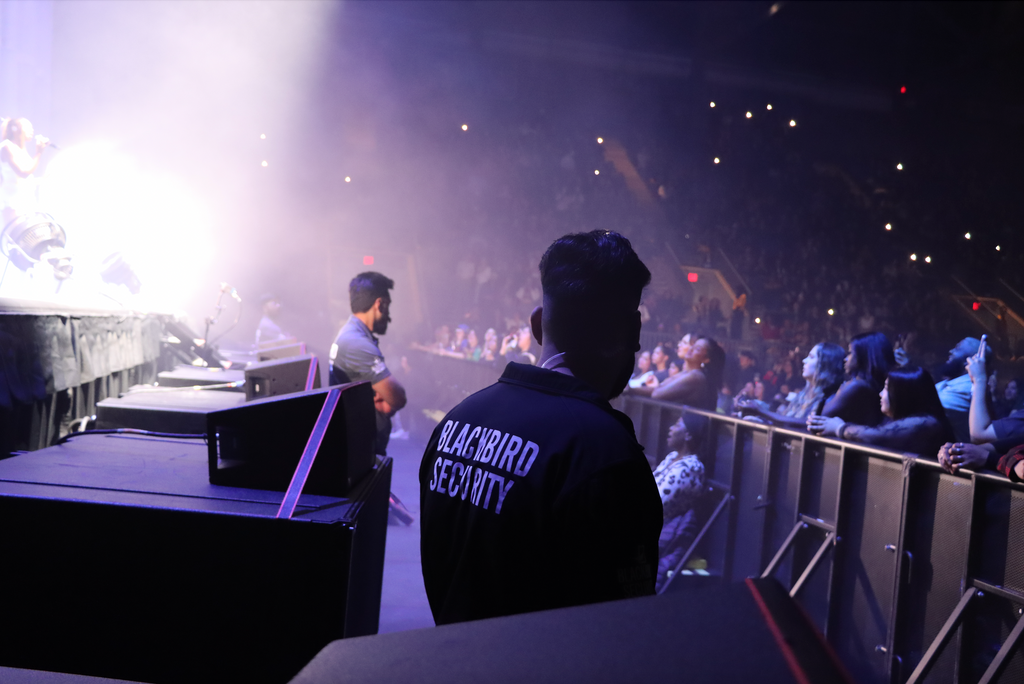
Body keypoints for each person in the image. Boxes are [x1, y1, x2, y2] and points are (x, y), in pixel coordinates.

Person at [419, 230, 662, 625]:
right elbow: (621, 628)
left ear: (536, 324)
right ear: (633, 333)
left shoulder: (457, 422)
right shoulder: (606, 455)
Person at [329, 272, 407, 456]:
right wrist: (384, 398)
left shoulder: (351, 334)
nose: (389, 317)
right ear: (380, 304)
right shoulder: (357, 343)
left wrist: (381, 399)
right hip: (362, 448)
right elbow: (398, 398)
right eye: (388, 307)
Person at [808, 367, 954, 457]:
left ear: (903, 395)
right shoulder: (915, 419)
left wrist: (839, 428)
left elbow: (877, 436)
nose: (881, 394)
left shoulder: (927, 422)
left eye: (886, 389)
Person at [735, 343, 845, 429]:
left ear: (824, 363)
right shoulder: (804, 394)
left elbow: (804, 424)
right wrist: (758, 415)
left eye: (811, 357)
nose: (804, 360)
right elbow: (786, 417)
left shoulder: (830, 398)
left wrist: (761, 412)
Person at [653, 416, 705, 592]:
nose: (670, 428)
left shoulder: (690, 468)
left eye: (676, 425)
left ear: (688, 436)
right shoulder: (672, 458)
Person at [814, 331, 894, 428]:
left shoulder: (856, 385)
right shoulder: (872, 386)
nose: (846, 359)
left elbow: (817, 421)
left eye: (850, 353)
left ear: (863, 356)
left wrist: (843, 390)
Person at [630, 336, 725, 411]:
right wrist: (631, 389)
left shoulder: (696, 377)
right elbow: (657, 389)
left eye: (697, 349)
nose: (691, 348)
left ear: (706, 359)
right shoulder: (688, 373)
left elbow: (657, 394)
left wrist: (631, 390)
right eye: (693, 345)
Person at [0, 117, 51, 224]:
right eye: (28, 127)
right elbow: (23, 173)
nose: (32, 130)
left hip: (26, 202)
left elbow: (22, 180)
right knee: (17, 237)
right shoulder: (6, 146)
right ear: (17, 129)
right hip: (13, 204)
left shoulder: (19, 149)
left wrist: (41, 180)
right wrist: (39, 152)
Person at [934, 337, 983, 442]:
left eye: (958, 348)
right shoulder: (952, 383)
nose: (951, 351)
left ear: (969, 361)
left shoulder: (968, 389)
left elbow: (927, 406)